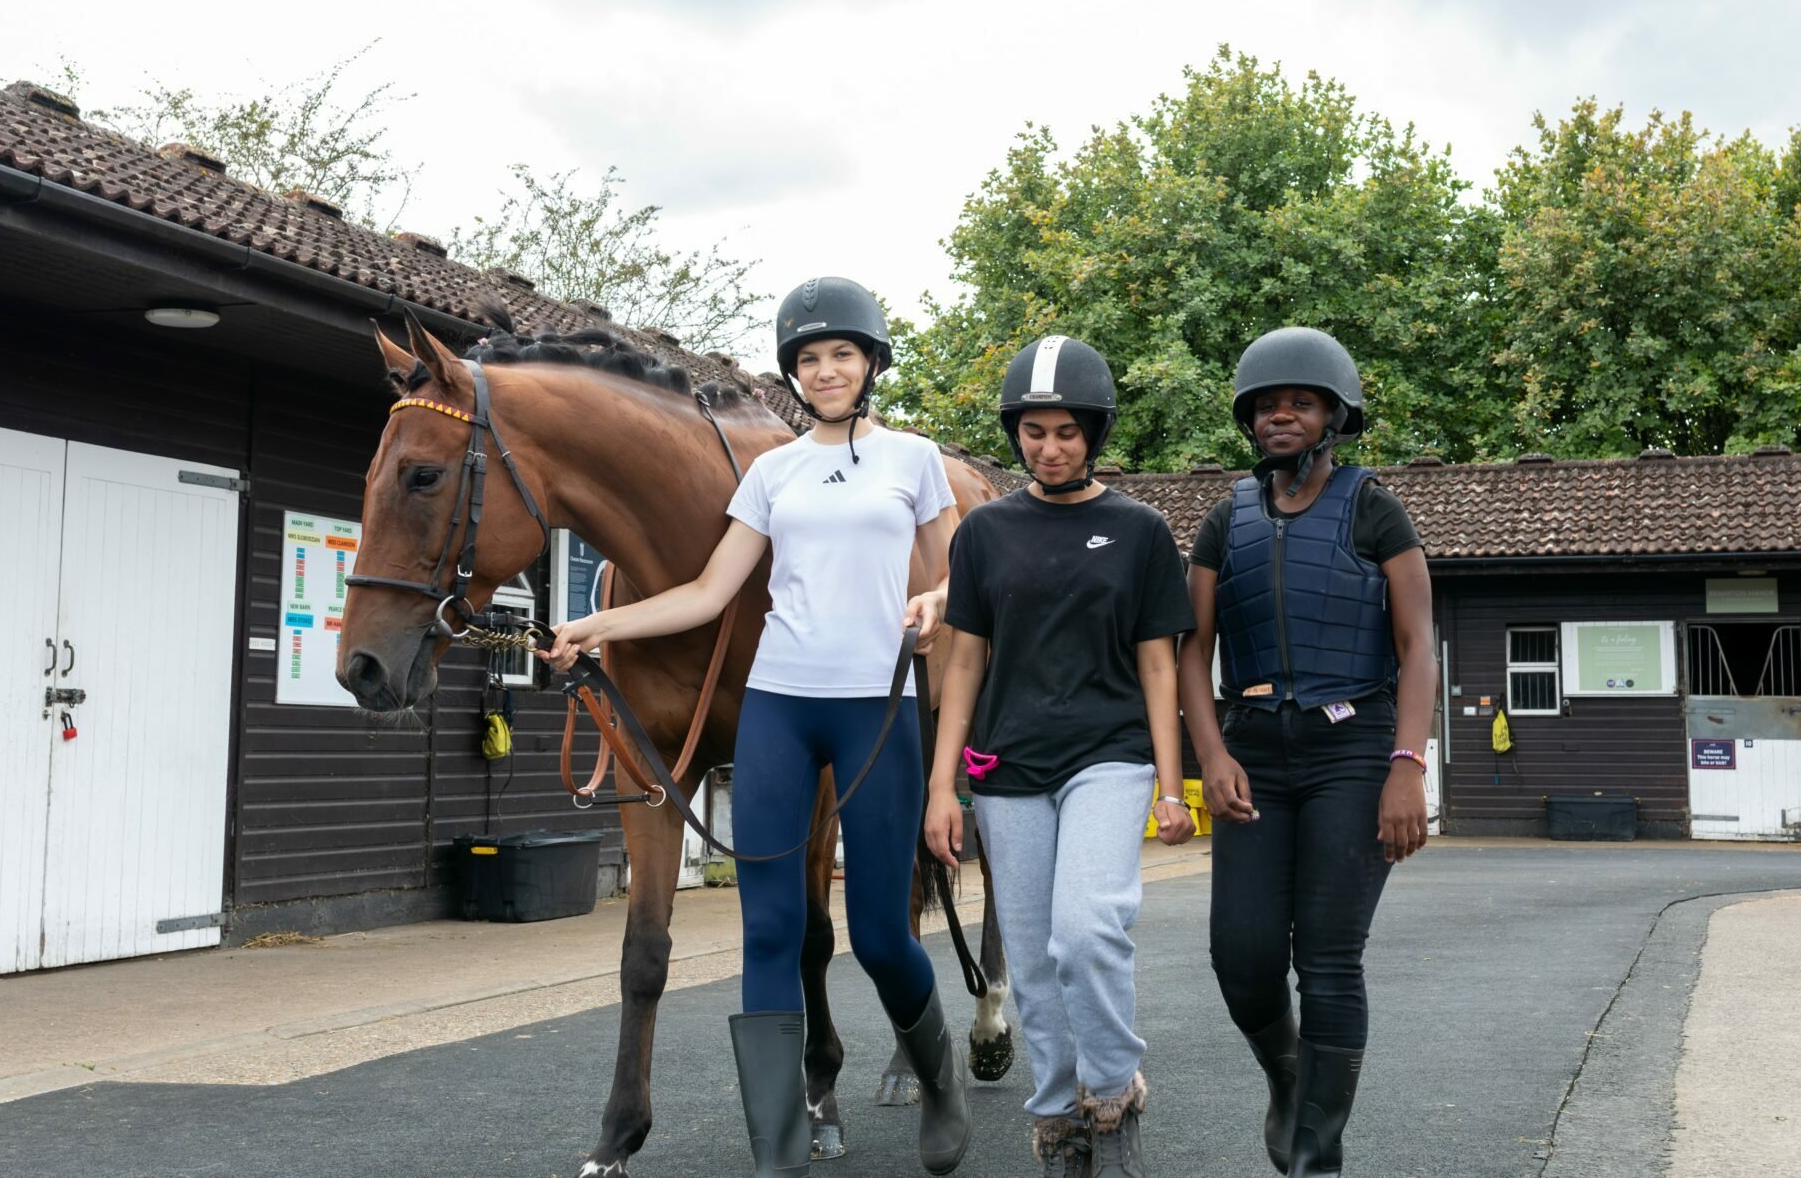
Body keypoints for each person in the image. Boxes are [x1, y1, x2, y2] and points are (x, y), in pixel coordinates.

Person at [545, 276, 971, 1176]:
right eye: (809, 359)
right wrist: (597, 626)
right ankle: (777, 1155)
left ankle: (940, 1084)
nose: (825, 371)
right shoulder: (770, 473)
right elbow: (708, 591)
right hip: (781, 707)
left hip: (876, 709)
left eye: (841, 356)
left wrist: (932, 602)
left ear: (870, 364)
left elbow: (945, 579)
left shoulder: (913, 460)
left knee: (881, 934)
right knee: (771, 927)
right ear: (794, 371)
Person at [917, 336, 1194, 1177]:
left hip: (1109, 757)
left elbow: (1159, 661)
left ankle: (1112, 1096)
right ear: (1016, 436)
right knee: (1032, 960)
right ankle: (1057, 1122)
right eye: (1034, 432)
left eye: (1067, 431)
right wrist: (943, 786)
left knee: (1085, 931)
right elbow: (964, 659)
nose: (1050, 446)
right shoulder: (987, 532)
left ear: (1095, 434)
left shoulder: (1139, 530)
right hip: (1008, 769)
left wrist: (1171, 787)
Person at [1176, 327, 1434, 1177]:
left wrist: (1407, 765)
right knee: (1242, 957)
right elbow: (1191, 650)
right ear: (1249, 419)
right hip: (1250, 750)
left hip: (1353, 750)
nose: (1281, 414)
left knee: (1327, 957)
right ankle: (1289, 1077)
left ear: (1332, 416)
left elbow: (1418, 644)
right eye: (1266, 404)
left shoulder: (1373, 507)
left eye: (1300, 402)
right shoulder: (1224, 519)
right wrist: (1209, 756)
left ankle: (1315, 1157)